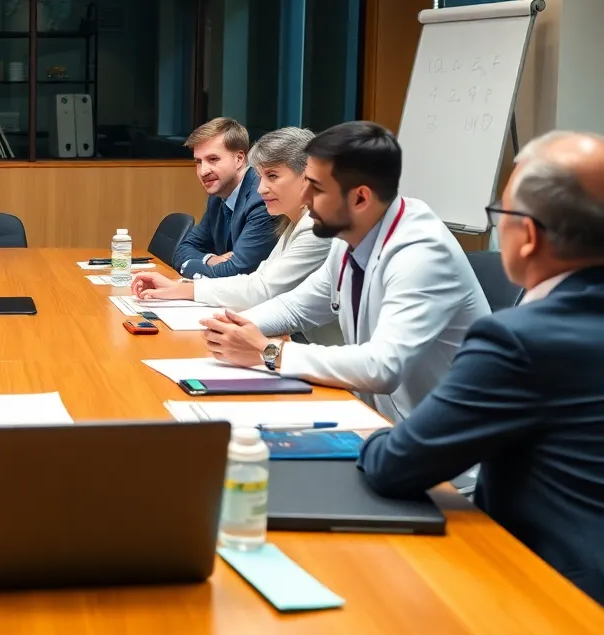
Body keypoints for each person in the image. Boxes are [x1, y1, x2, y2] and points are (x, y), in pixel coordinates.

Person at [359, 131, 604, 605]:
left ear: (528, 236)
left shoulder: (519, 340)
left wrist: (366, 434)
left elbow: (398, 464)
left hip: (556, 596)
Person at [202, 121, 490, 422]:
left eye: (316, 187)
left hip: (447, 446)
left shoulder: (422, 254)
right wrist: (230, 327)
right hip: (379, 420)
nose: (306, 197)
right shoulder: (349, 234)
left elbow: (382, 367)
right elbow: (297, 306)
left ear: (360, 198)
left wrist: (269, 352)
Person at [131, 128, 337, 343]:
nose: (261, 189)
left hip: (324, 351)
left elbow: (264, 290)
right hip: (300, 341)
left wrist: (217, 319)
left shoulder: (317, 226)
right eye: (260, 177)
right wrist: (184, 290)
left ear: (309, 176)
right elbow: (260, 282)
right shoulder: (294, 220)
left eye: (273, 176)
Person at [171, 118, 278, 279]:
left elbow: (237, 272)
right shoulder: (217, 197)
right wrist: (212, 260)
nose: (203, 171)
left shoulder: (262, 199)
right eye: (198, 162)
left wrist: (191, 265)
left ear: (239, 159)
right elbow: (183, 249)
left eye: (213, 159)